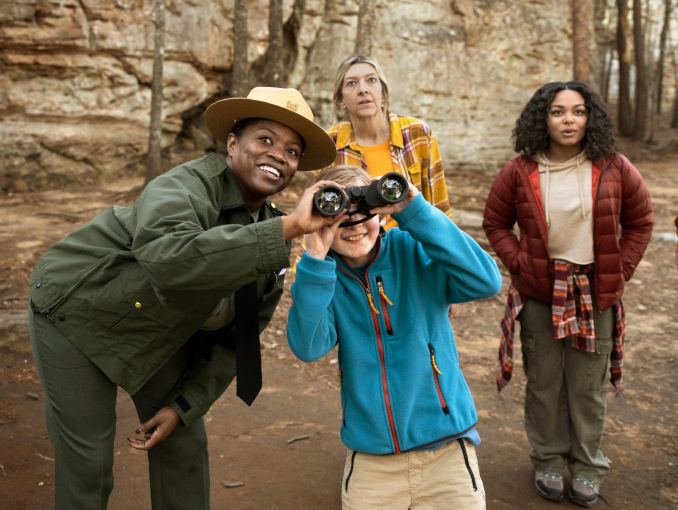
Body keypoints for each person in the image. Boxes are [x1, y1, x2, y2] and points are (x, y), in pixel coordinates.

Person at [27, 87, 338, 510]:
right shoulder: (185, 185)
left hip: (154, 328)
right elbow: (170, 262)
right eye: (264, 139)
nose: (279, 156)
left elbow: (240, 339)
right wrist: (286, 230)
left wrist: (184, 404)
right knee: (89, 464)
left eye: (292, 151)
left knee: (183, 444)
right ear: (232, 144)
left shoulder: (273, 231)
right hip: (78, 312)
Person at [287, 164, 502, 509]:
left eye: (363, 213)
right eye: (339, 218)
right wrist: (314, 256)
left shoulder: (413, 250)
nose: (354, 226)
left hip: (446, 449)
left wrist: (415, 212)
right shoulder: (323, 275)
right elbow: (308, 346)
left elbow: (486, 281)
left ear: (382, 215)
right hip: (372, 457)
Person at [482, 81, 654, 507]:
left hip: (595, 293)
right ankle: (548, 461)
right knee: (543, 383)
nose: (568, 120)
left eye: (577, 111)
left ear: (589, 117)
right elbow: (495, 224)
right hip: (541, 290)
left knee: (587, 386)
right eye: (557, 112)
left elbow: (641, 220)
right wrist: (521, 264)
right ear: (542, 118)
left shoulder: (614, 166)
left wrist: (621, 268)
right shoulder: (520, 171)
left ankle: (588, 467)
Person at [327, 54, 452, 229]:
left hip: (412, 247)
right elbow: (319, 213)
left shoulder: (418, 134)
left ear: (383, 94)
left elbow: (439, 206)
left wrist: (449, 251)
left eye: (371, 80)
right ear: (341, 100)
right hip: (355, 249)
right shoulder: (328, 145)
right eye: (351, 83)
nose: (363, 89)